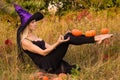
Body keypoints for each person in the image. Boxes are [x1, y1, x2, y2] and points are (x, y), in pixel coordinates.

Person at [14, 4, 113, 74]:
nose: (35, 24)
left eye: (35, 22)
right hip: (46, 64)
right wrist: (58, 43)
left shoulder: (34, 36)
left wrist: (59, 42)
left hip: (50, 59)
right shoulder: (25, 42)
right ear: (27, 25)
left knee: (74, 69)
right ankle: (96, 38)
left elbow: (49, 47)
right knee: (68, 37)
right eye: (32, 22)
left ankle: (95, 38)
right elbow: (43, 53)